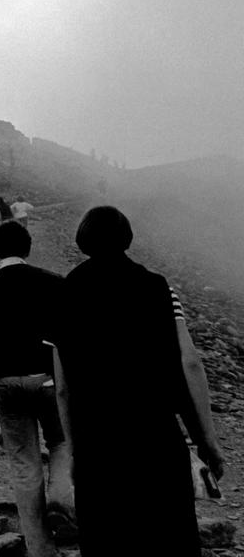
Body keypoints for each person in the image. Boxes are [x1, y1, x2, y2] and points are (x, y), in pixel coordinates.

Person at [46, 207, 225, 556]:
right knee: (167, 539)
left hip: (98, 445)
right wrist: (207, 439)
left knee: (108, 541)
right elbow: (188, 363)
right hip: (155, 439)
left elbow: (63, 388)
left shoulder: (64, 295)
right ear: (127, 237)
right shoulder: (156, 287)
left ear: (83, 240)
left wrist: (74, 451)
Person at [0, 222, 73, 557]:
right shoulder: (53, 283)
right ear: (27, 248)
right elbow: (71, 339)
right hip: (48, 379)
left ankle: (40, 549)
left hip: (4, 385)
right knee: (61, 442)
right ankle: (61, 498)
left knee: (24, 464)